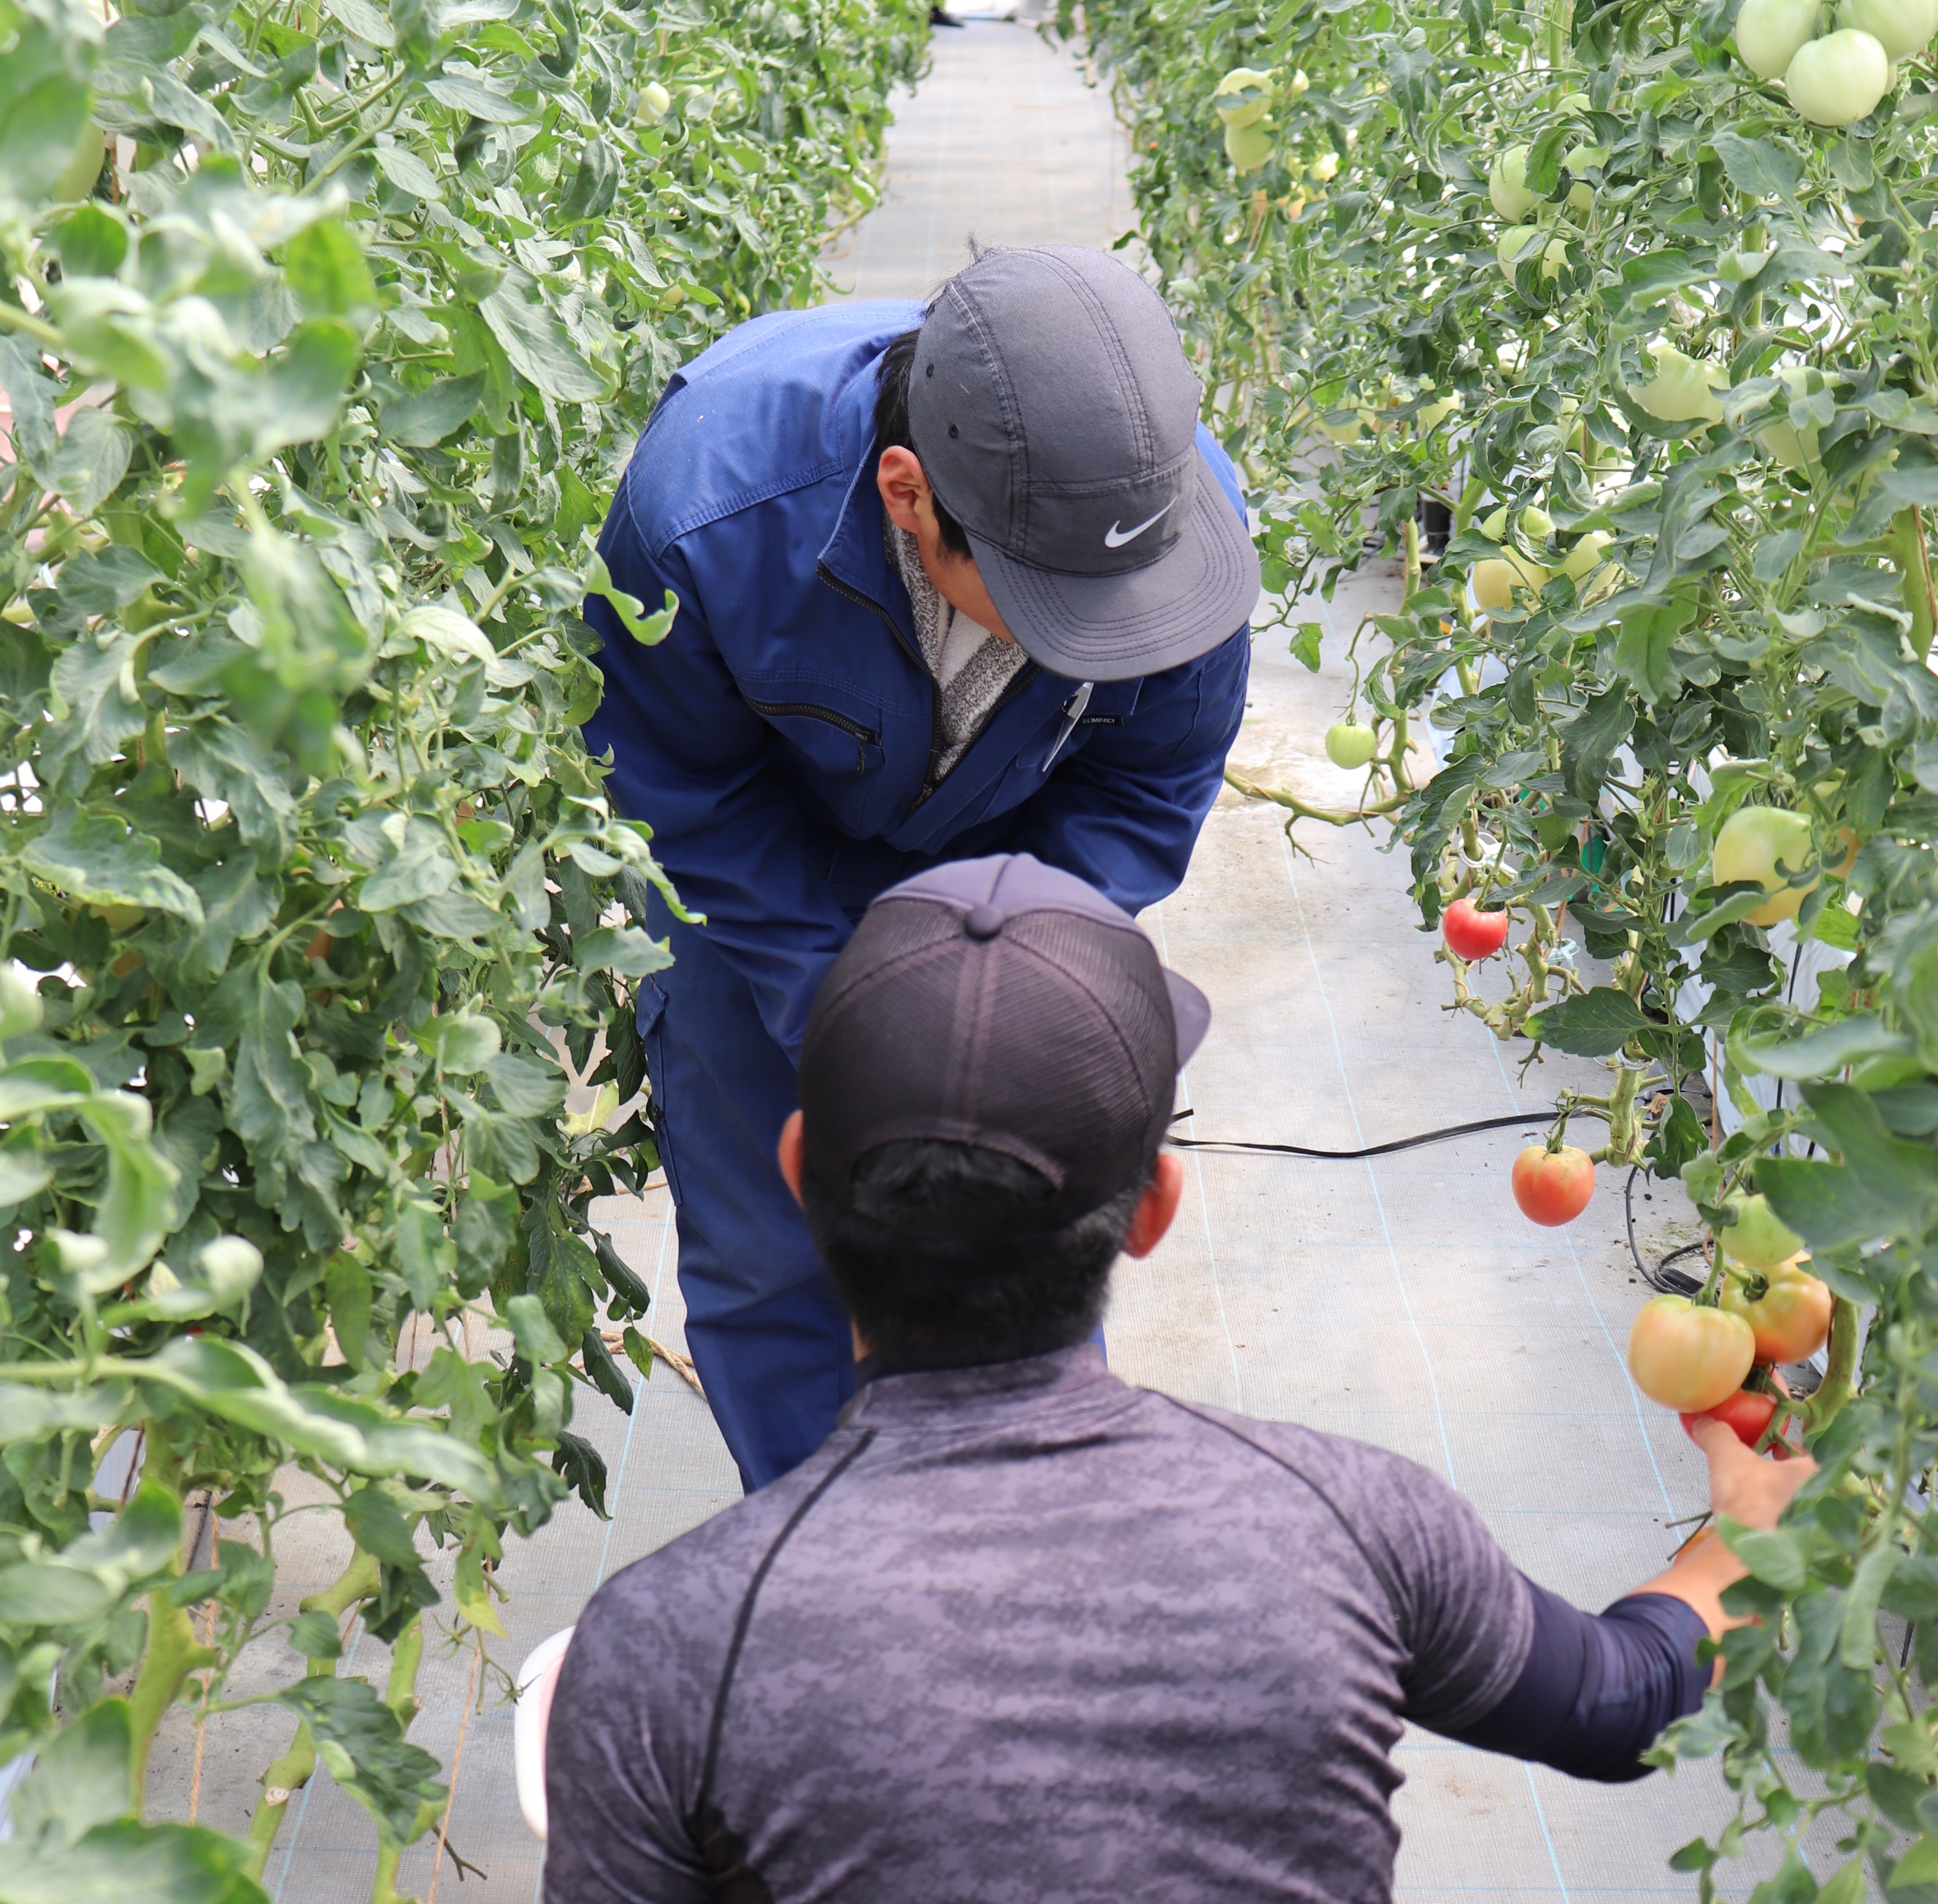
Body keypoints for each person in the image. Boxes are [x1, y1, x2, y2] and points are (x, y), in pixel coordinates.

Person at [543, 852, 1815, 1904]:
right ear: (1155, 1205)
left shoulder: (667, 1646)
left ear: (796, 1165)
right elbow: (1620, 1701)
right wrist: (1741, 1537)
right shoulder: (1355, 1525)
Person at [583, 244, 1258, 1490]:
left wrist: (1005, 981)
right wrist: (841, 1004)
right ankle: (820, 1564)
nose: (1112, 631)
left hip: (1016, 860)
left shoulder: (1172, 534)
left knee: (1008, 1241)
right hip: (756, 894)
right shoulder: (710, 513)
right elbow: (681, 785)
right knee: (777, 1252)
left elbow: (1149, 784)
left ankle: (1000, 1560)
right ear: (907, 496)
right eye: (1056, 601)